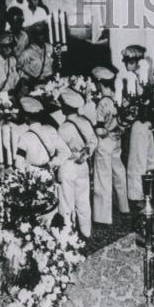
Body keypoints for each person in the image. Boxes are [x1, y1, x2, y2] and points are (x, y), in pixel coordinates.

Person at [90, 66, 129, 226]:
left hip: (104, 142)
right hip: (117, 139)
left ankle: (103, 216)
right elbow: (126, 121)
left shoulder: (102, 103)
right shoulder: (119, 98)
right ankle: (124, 206)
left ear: (99, 83)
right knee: (119, 172)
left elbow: (99, 130)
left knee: (102, 177)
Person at [57, 88, 97, 240]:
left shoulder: (64, 128)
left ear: (65, 108)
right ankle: (86, 232)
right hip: (83, 164)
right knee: (83, 199)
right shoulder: (85, 121)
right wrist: (85, 153)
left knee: (67, 201)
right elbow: (93, 141)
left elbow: (61, 151)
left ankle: (68, 234)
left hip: (69, 166)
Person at [15, 97, 71, 171]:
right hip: (49, 174)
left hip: (31, 177)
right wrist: (52, 164)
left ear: (26, 117)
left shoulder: (24, 136)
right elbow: (66, 152)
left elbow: (19, 163)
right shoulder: (50, 130)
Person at [127, 104, 154, 227]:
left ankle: (140, 199)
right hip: (145, 127)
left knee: (138, 165)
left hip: (138, 165)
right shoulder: (143, 126)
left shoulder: (138, 127)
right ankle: (143, 197)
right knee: (142, 163)